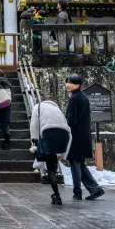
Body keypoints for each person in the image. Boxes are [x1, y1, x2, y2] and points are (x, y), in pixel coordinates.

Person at [64, 73, 104, 201]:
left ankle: (77, 191)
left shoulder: (73, 99)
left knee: (75, 163)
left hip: (75, 136)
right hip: (83, 135)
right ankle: (95, 188)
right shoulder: (83, 97)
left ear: (78, 85)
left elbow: (71, 120)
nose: (67, 85)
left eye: (71, 82)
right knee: (79, 163)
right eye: (67, 82)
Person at [29, 95, 71, 205]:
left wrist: (34, 143)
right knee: (53, 163)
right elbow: (68, 130)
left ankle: (57, 195)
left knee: (51, 168)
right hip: (65, 134)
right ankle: (56, 194)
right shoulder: (58, 109)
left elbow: (34, 125)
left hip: (48, 132)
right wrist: (62, 154)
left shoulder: (37, 107)